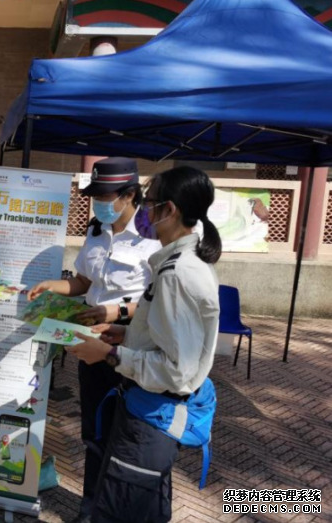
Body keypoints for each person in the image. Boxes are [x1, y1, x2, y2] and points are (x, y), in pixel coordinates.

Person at [71, 166, 221, 523]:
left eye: (150, 204)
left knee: (127, 508)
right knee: (138, 501)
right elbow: (165, 333)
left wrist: (109, 353)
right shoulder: (177, 264)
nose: (146, 214)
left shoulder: (177, 274)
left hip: (153, 413)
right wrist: (125, 334)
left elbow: (176, 370)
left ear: (168, 210)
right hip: (146, 407)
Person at [28, 157, 161, 522]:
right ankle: (91, 511)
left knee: (130, 435)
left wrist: (115, 312)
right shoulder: (96, 231)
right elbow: (85, 283)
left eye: (105, 195)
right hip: (91, 347)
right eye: (95, 195)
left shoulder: (154, 235)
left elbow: (160, 303)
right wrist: (52, 286)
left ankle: (124, 510)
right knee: (95, 433)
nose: (98, 202)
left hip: (132, 347)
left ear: (130, 194)